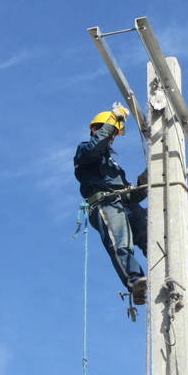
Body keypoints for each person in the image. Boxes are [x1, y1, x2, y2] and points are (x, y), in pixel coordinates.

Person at [74, 102, 149, 305]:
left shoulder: (113, 164)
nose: (111, 136)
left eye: (113, 133)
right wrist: (113, 119)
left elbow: (130, 196)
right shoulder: (85, 151)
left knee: (149, 229)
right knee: (120, 243)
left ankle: (163, 265)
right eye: (108, 130)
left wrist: (147, 179)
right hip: (105, 204)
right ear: (95, 129)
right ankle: (135, 283)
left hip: (123, 203)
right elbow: (94, 148)